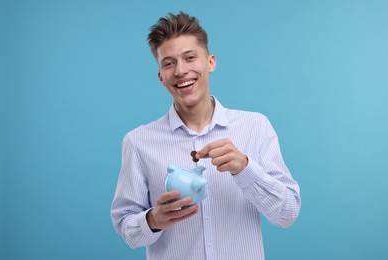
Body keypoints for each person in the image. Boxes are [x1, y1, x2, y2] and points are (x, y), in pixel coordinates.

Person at [111, 11, 301, 260]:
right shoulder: (138, 142)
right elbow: (128, 230)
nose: (180, 70)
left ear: (210, 62)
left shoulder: (256, 127)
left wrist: (245, 168)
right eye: (168, 63)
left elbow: (287, 214)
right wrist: (153, 220)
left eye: (190, 57)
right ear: (161, 76)